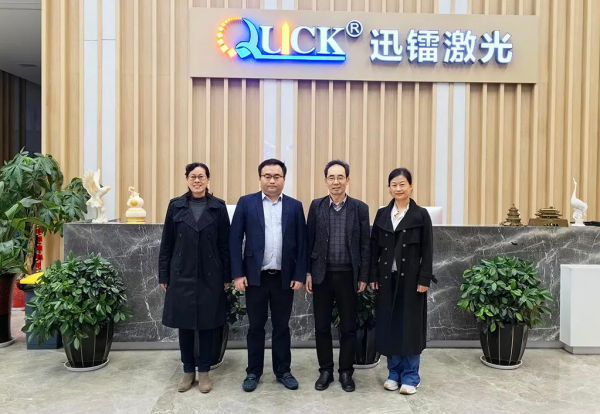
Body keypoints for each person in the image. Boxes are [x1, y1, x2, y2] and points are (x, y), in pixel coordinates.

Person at [230, 158, 308, 392]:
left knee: (282, 326)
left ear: (284, 179)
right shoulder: (246, 203)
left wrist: (299, 274)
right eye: (267, 176)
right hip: (255, 277)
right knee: (256, 326)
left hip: (284, 278)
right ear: (260, 178)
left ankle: (283, 371)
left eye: (277, 176)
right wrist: (238, 274)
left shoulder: (295, 206)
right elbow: (235, 240)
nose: (272, 180)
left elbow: (302, 244)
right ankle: (253, 372)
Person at [158, 163, 231, 394]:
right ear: (187, 179)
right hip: (182, 273)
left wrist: (227, 276)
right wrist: (164, 274)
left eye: (201, 176)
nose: (197, 180)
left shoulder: (218, 207)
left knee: (208, 325)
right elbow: (167, 244)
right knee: (185, 325)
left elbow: (225, 245)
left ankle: (205, 372)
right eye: (193, 176)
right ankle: (188, 370)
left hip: (211, 274)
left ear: (208, 179)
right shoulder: (176, 206)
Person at [369, 168, 436, 395]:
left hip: (412, 282)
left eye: (402, 184)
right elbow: (374, 249)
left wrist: (424, 278)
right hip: (387, 280)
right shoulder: (382, 214)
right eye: (394, 185)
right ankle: (393, 373)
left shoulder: (421, 215)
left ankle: (411, 376)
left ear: (411, 187)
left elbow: (427, 249)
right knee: (390, 326)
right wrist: (373, 276)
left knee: (410, 328)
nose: (398, 189)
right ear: (389, 188)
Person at [306, 160, 370, 392]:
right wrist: (307, 272)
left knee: (348, 327)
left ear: (347, 180)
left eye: (340, 177)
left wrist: (363, 275)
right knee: (322, 327)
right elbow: (309, 240)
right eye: (331, 177)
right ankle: (325, 370)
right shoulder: (316, 206)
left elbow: (365, 245)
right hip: (321, 275)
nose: (336, 182)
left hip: (348, 275)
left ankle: (345, 372)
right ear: (326, 181)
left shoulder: (359, 208)